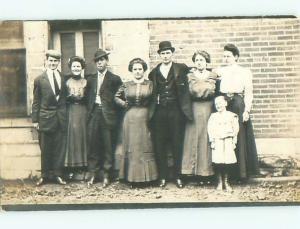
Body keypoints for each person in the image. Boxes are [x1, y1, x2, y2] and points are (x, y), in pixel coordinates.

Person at [148, 41, 193, 188]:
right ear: (159, 55)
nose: (165, 56)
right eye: (163, 53)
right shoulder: (154, 72)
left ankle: (178, 176)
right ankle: (162, 177)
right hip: (159, 112)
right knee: (160, 144)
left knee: (177, 143)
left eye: (168, 53)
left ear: (172, 54)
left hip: (176, 110)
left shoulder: (181, 68)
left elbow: (196, 73)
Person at [214, 43, 260, 181]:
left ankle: (241, 173)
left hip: (238, 104)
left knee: (238, 136)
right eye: (224, 56)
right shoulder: (220, 71)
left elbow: (249, 93)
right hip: (224, 104)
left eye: (228, 56)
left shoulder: (244, 72)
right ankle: (227, 174)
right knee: (225, 136)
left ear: (236, 57)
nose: (226, 58)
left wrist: (247, 110)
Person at [115, 58, 158, 187]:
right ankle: (131, 177)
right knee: (132, 147)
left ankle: (148, 177)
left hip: (145, 116)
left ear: (144, 70)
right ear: (131, 71)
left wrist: (151, 115)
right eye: (135, 69)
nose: (137, 72)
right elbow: (116, 97)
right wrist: (124, 103)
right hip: (130, 117)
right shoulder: (126, 84)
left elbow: (154, 100)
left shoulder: (150, 84)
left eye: (140, 69)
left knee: (145, 145)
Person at [86, 49, 122, 187]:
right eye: (97, 61)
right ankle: (93, 174)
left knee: (108, 146)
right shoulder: (90, 79)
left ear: (107, 61)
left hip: (108, 116)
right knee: (93, 144)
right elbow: (87, 99)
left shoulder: (114, 79)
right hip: (94, 114)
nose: (99, 63)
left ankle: (107, 174)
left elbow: (119, 100)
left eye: (102, 60)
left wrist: (115, 118)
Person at [32, 49, 67, 186]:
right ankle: (44, 175)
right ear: (46, 61)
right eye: (51, 61)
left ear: (58, 62)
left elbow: (64, 99)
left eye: (55, 61)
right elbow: (36, 101)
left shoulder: (63, 77)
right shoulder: (39, 80)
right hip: (45, 119)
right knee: (45, 148)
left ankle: (58, 174)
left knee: (59, 148)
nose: (53, 63)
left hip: (60, 118)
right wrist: (35, 120)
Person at [181, 51, 217, 183]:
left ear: (206, 61)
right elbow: (185, 95)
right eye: (197, 60)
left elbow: (218, 93)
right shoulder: (189, 77)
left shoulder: (213, 76)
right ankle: (193, 172)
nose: (199, 62)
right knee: (193, 139)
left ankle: (207, 173)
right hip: (194, 109)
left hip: (209, 109)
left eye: (202, 60)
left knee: (207, 139)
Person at [208, 96, 239, 191]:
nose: (218, 105)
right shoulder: (213, 116)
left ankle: (226, 181)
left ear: (226, 103)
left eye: (220, 103)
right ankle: (219, 182)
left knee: (227, 161)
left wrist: (234, 141)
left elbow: (236, 129)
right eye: (216, 104)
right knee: (218, 161)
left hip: (228, 140)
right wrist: (212, 141)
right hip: (218, 141)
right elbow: (210, 129)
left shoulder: (232, 115)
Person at [64, 56, 88, 180]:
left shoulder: (86, 81)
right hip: (71, 111)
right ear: (71, 68)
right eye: (74, 66)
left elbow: (88, 98)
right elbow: (63, 98)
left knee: (81, 136)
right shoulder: (67, 82)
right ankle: (71, 167)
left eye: (78, 66)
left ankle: (82, 166)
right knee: (72, 136)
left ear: (82, 67)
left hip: (82, 111)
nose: (76, 68)